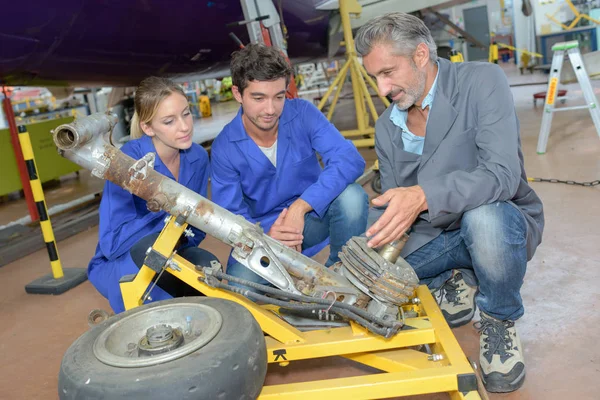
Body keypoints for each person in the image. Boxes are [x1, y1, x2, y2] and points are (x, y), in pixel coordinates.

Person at [355, 13, 544, 393]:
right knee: (375, 283)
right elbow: (398, 209)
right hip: (437, 234)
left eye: (388, 73)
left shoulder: (481, 82)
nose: (382, 89)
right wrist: (371, 259)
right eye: (374, 77)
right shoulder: (387, 127)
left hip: (497, 221)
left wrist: (423, 195)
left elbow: (502, 176)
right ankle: (452, 278)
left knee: (485, 220)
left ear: (421, 54)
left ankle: (498, 321)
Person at [210, 44, 368, 287]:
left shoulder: (303, 113)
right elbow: (229, 216)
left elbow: (349, 159)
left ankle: (340, 279)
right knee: (239, 291)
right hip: (263, 237)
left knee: (352, 197)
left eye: (279, 97)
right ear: (238, 93)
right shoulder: (224, 146)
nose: (270, 109)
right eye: (258, 98)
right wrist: (266, 237)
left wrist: (300, 208)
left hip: (312, 218)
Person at [88, 76, 218, 314]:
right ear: (148, 127)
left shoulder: (197, 157)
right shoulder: (127, 163)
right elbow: (112, 244)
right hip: (124, 260)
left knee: (211, 273)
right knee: (163, 313)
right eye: (169, 121)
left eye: (186, 114)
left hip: (171, 249)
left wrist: (177, 235)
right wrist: (166, 214)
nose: (185, 126)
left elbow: (197, 229)